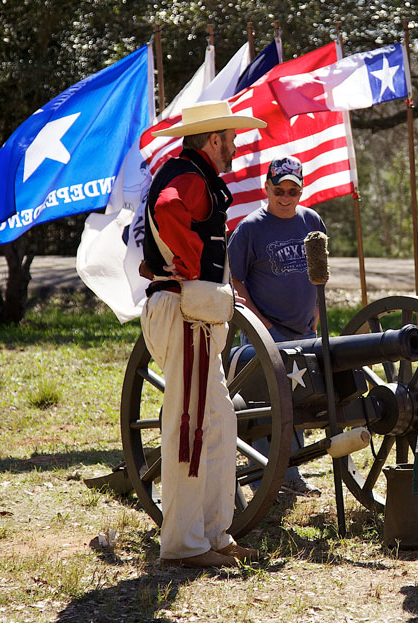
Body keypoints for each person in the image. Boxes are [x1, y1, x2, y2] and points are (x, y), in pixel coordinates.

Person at [140, 100, 265, 568]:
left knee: (218, 425)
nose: (233, 146)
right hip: (186, 315)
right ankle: (183, 546)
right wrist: (189, 263)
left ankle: (212, 534)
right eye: (229, 138)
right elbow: (170, 210)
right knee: (190, 430)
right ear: (214, 140)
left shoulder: (192, 174)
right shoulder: (190, 178)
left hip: (195, 317)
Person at [227, 155, 325, 497]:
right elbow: (236, 281)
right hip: (267, 331)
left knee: (301, 400)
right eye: (279, 190)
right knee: (267, 403)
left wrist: (316, 308)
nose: (285, 197)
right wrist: (260, 322)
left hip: (305, 328)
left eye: (292, 191)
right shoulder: (250, 229)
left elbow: (320, 272)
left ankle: (291, 473)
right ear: (266, 188)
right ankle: (262, 475)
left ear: (301, 191)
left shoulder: (311, 221)